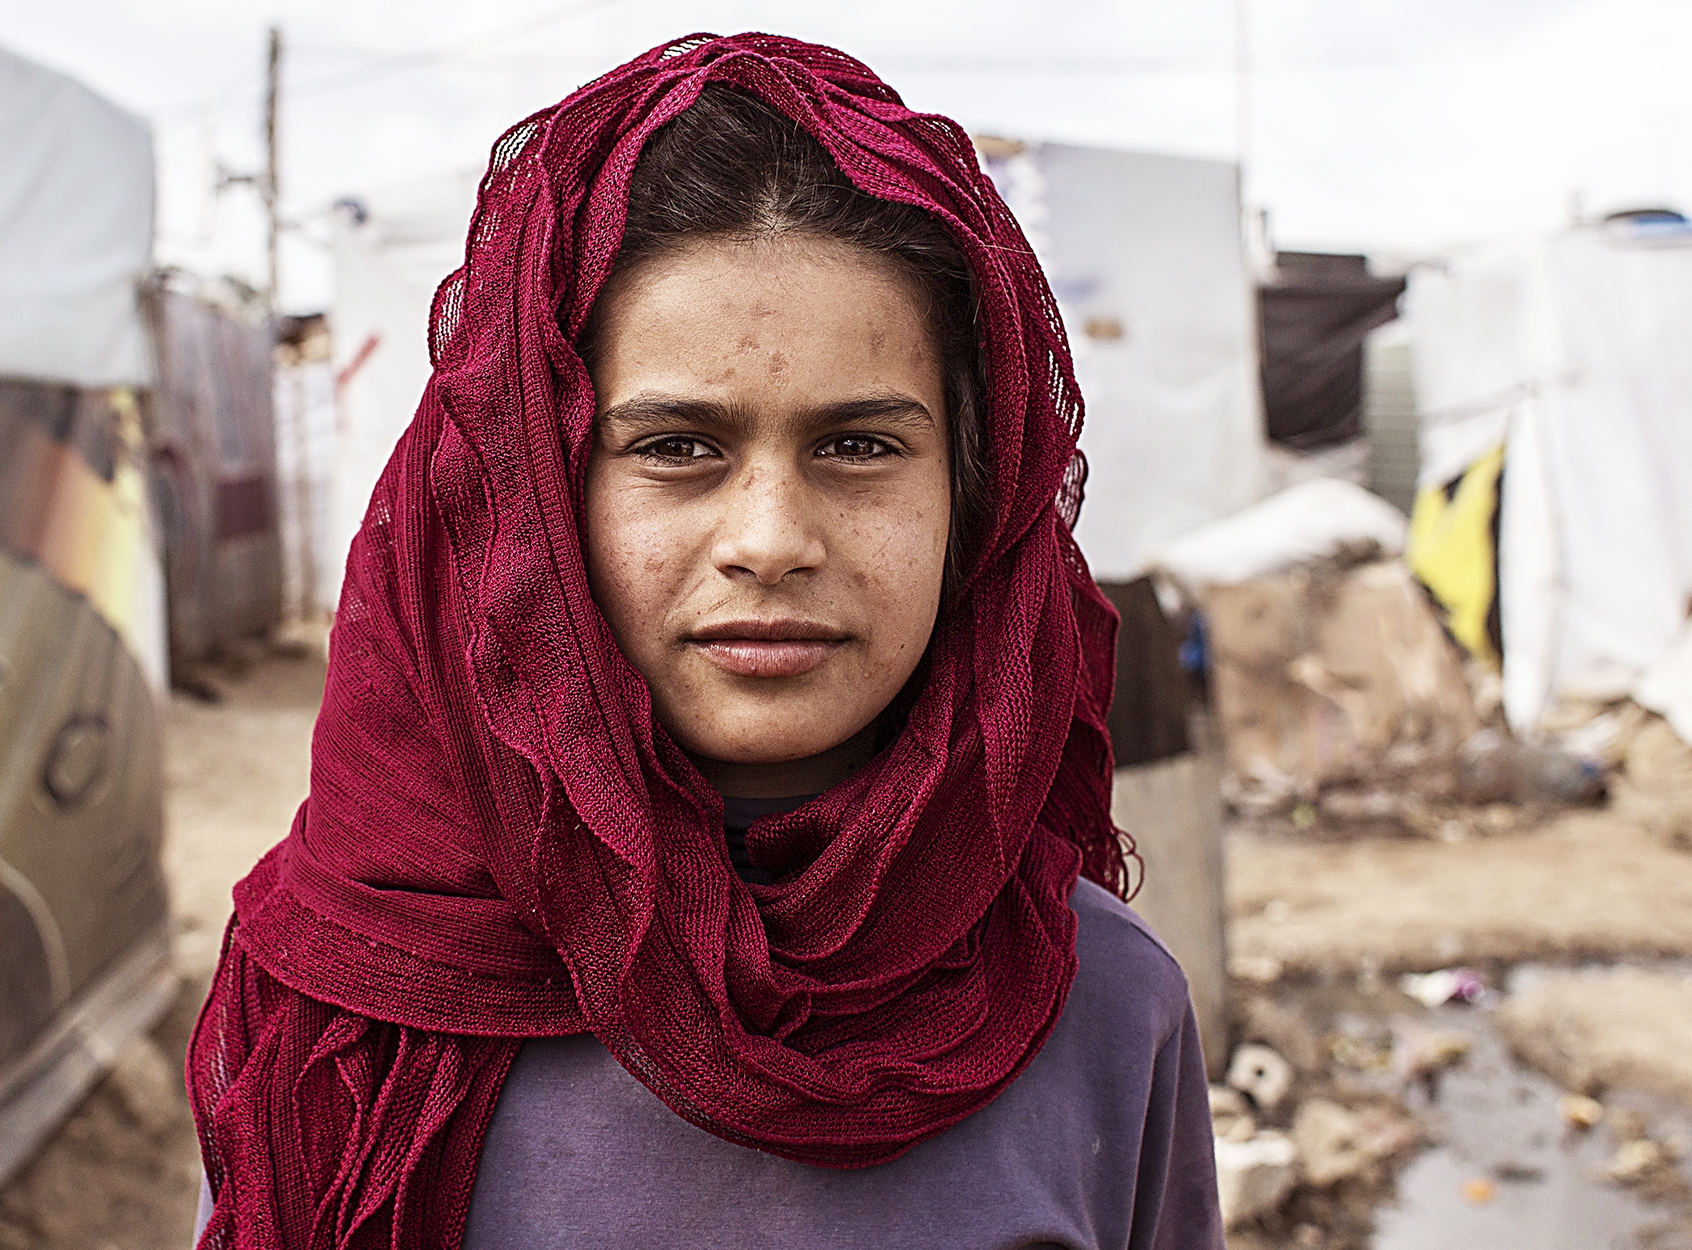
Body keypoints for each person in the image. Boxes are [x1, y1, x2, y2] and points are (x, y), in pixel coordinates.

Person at [187, 33, 1223, 1250]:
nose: (771, 539)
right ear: (533, 503)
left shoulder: (1095, 1002)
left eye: (859, 445)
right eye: (677, 447)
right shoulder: (346, 994)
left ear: (977, 501)